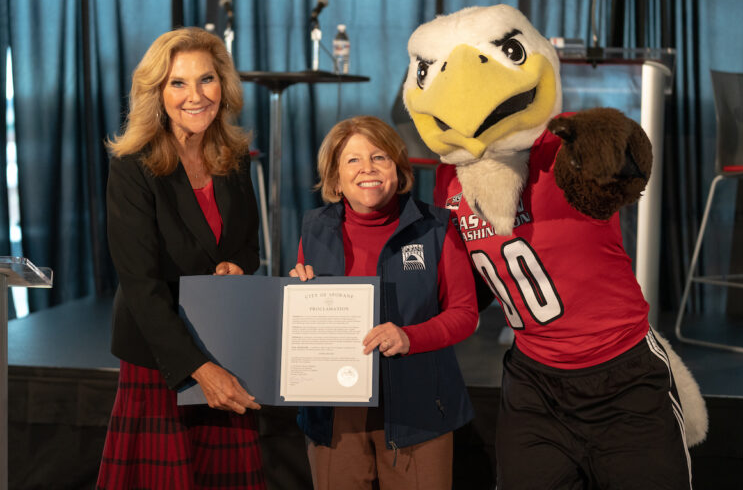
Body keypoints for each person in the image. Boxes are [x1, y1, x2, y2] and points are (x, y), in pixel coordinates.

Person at [96, 27, 265, 489]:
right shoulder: (132, 167)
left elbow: (246, 245)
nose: (195, 96)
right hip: (161, 357)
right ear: (157, 92)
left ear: (223, 85)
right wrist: (198, 368)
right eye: (178, 83)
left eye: (206, 80)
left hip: (223, 342)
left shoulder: (234, 156)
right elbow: (140, 284)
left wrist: (239, 266)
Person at [289, 115, 478, 490]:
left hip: (418, 410)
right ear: (335, 175)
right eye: (352, 160)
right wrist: (296, 295)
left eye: (379, 157)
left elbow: (465, 314)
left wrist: (410, 338)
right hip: (335, 413)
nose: (367, 169)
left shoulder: (437, 227)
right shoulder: (314, 228)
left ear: (398, 166)